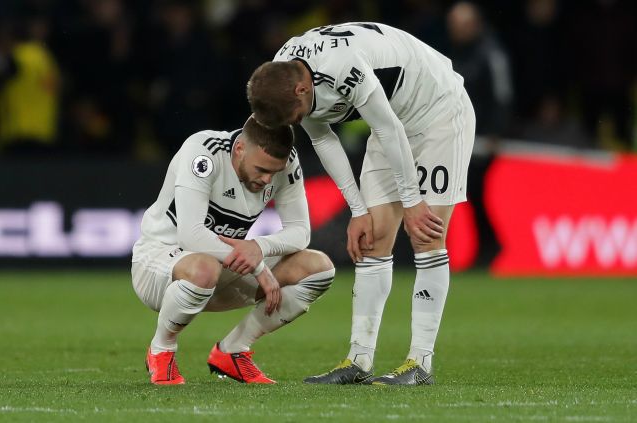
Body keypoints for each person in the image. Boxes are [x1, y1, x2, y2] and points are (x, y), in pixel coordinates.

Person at [247, 21, 475, 385]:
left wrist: (413, 201)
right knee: (373, 238)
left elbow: (386, 128)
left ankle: (420, 363)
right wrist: (357, 209)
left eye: (298, 115)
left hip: (438, 110)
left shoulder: (342, 65)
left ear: (303, 89)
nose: (300, 121)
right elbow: (323, 139)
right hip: (392, 119)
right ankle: (359, 360)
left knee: (426, 235)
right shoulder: (284, 75)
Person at [132, 115, 335, 385]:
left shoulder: (284, 162)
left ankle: (233, 351)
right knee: (205, 266)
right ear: (239, 148)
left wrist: (258, 247)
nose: (267, 179)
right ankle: (162, 349)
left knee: (318, 268)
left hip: (222, 269)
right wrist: (258, 266)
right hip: (158, 265)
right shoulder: (204, 151)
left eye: (273, 172)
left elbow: (301, 231)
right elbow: (191, 234)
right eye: (261, 169)